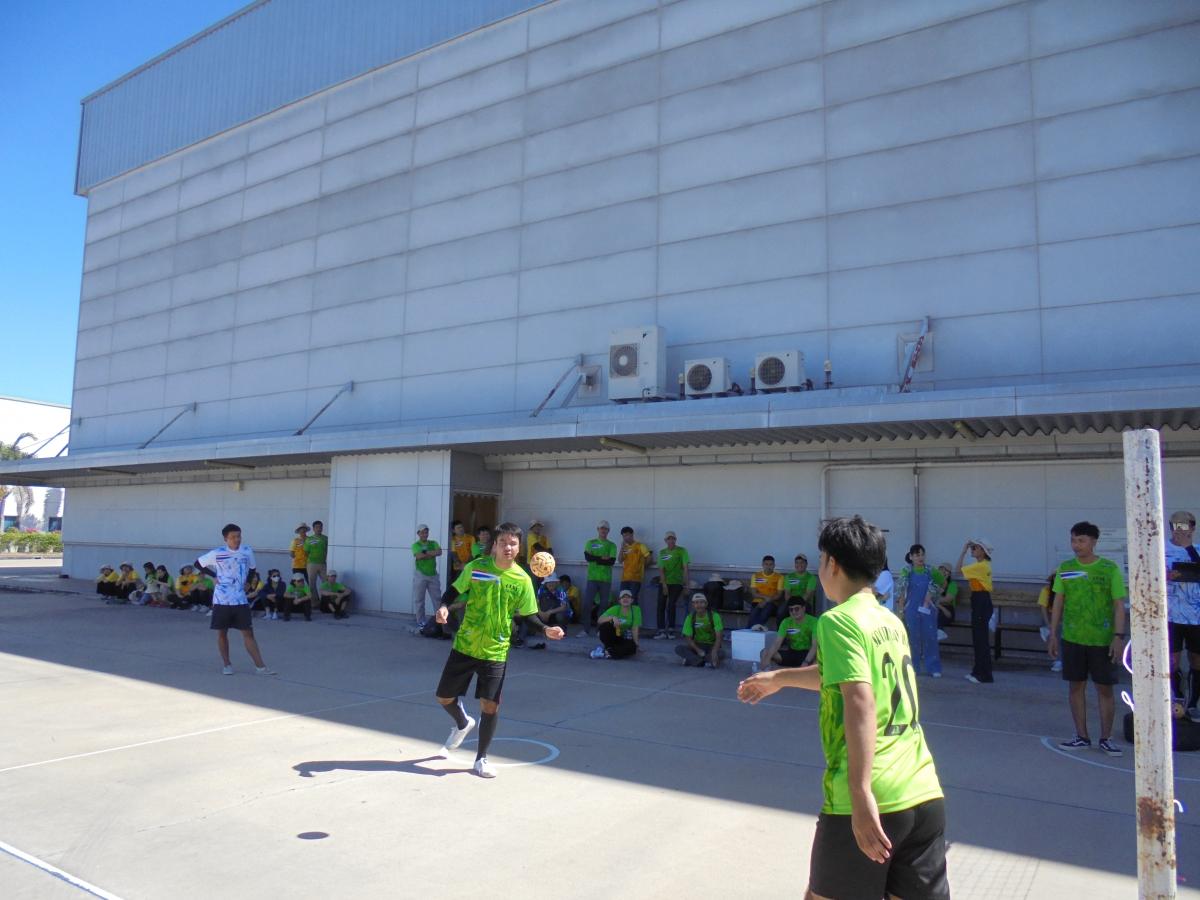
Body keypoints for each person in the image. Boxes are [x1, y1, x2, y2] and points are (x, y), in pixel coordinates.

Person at [738, 515, 948, 900]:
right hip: (922, 792)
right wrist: (780, 677)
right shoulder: (889, 620)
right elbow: (845, 675)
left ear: (832, 564)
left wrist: (860, 792)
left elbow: (859, 698)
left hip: (873, 797)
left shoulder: (837, 621)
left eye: (820, 560)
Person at [431, 522, 565, 778]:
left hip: (496, 650)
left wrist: (545, 629)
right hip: (466, 644)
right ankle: (462, 723)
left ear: (519, 548)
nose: (508, 547)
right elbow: (454, 590)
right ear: (494, 545)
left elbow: (529, 615)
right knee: (444, 697)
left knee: (490, 705)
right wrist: (444, 607)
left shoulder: (522, 579)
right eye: (503, 542)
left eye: (513, 543)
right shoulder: (477, 567)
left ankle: (481, 759)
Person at [1048, 521, 1127, 756]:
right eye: (1073, 540)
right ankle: (1081, 736)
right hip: (1073, 637)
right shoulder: (1066, 568)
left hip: (1102, 640)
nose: (1076, 545)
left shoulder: (1109, 569)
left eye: (1081, 540)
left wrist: (1118, 636)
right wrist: (1053, 633)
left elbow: (1119, 605)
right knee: (1075, 686)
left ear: (1093, 542)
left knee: (1104, 689)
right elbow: (1058, 601)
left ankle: (1106, 738)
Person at [195, 524, 275, 676]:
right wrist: (213, 576)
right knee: (222, 634)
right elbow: (198, 563)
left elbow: (252, 569)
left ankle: (261, 667)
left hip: (240, 599)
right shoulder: (217, 553)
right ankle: (227, 664)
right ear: (226, 539)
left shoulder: (247, 551)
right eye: (233, 537)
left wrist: (248, 582)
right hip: (222, 600)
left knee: (248, 633)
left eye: (238, 536)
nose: (237, 539)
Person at [1166, 510, 1200, 721]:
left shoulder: (1197, 550)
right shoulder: (1161, 549)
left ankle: (1193, 702)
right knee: (1172, 660)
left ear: (1192, 528)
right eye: (1175, 526)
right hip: (1170, 615)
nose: (1179, 530)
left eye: (1184, 525)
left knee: (1196, 659)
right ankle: (1177, 697)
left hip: (1196, 615)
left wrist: (1188, 547)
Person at [899, 544, 944, 678]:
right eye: (917, 555)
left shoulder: (931, 570)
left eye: (922, 554)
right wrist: (900, 610)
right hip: (911, 609)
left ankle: (934, 667)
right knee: (913, 638)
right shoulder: (906, 571)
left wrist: (934, 592)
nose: (921, 557)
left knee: (930, 637)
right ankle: (913, 667)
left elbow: (943, 582)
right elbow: (901, 591)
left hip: (928, 609)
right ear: (911, 557)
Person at [956, 538, 994, 684]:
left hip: (981, 600)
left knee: (981, 639)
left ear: (983, 551)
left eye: (976, 548)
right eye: (972, 548)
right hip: (980, 599)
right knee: (978, 638)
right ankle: (978, 671)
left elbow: (958, 570)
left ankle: (984, 675)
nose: (972, 550)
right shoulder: (981, 565)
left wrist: (963, 551)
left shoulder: (981, 566)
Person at [581, 520, 617, 636]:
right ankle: (585, 630)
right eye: (601, 528)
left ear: (608, 531)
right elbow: (588, 557)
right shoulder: (591, 542)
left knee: (603, 606)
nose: (603, 530)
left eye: (605, 528)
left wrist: (595, 558)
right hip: (592, 578)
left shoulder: (612, 545)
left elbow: (611, 561)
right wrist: (602, 558)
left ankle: (600, 630)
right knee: (587, 604)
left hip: (606, 579)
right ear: (598, 529)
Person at [760, 598, 817, 670]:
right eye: (791, 609)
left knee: (818, 658)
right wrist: (767, 659)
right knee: (764, 652)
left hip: (807, 653)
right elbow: (777, 643)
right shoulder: (786, 622)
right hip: (792, 652)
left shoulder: (814, 622)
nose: (794, 612)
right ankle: (766, 671)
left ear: (803, 608)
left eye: (796, 609)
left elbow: (815, 646)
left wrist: (806, 661)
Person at [654, 531, 690, 640]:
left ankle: (671, 629)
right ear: (665, 540)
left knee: (671, 604)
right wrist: (664, 585)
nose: (671, 540)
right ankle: (661, 630)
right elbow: (661, 569)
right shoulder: (662, 552)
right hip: (665, 582)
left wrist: (686, 585)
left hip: (677, 582)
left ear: (675, 539)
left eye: (673, 538)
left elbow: (685, 568)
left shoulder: (682, 551)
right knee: (661, 605)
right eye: (669, 539)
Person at [676, 592, 725, 668]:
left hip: (711, 645)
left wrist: (714, 651)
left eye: (701, 602)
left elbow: (719, 637)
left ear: (706, 604)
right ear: (693, 604)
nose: (699, 605)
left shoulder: (714, 616)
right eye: (696, 603)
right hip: (696, 645)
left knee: (721, 653)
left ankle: (694, 661)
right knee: (679, 648)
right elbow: (688, 638)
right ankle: (704, 661)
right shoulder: (690, 617)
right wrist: (698, 650)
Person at [593, 588, 642, 659]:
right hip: (613, 636)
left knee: (632, 648)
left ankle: (606, 652)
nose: (625, 599)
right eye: (623, 597)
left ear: (632, 600)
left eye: (628, 597)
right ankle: (609, 649)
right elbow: (599, 620)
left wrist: (636, 644)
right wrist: (612, 618)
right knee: (605, 626)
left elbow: (635, 628)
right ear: (619, 601)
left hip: (624, 638)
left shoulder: (636, 610)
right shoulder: (615, 608)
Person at [411, 524, 442, 627]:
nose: (425, 534)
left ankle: (440, 623)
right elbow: (418, 556)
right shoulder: (416, 545)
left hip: (433, 575)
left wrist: (425, 552)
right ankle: (421, 622)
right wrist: (432, 553)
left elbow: (439, 552)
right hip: (420, 575)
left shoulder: (433, 543)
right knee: (419, 600)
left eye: (426, 532)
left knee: (437, 599)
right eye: (422, 532)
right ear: (418, 534)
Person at [748, 555, 785, 630]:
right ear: (762, 565)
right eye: (766, 564)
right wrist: (765, 598)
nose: (768, 566)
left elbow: (779, 595)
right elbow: (754, 593)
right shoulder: (755, 576)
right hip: (757, 602)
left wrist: (767, 601)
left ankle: (755, 629)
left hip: (772, 603)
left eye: (771, 564)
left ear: (774, 565)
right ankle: (749, 630)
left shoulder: (779, 577)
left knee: (766, 610)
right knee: (754, 613)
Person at [617, 526, 652, 600]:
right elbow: (620, 560)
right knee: (623, 599)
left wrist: (642, 567)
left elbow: (649, 558)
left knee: (632, 599)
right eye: (623, 536)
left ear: (632, 534)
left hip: (636, 578)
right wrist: (622, 548)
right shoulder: (625, 547)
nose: (625, 538)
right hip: (625, 578)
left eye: (627, 535)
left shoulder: (640, 546)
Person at [1036, 572, 1062, 672]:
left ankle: (1060, 659)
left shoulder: (1066, 591)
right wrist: (1048, 624)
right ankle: (1058, 660)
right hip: (1049, 618)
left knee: (1061, 629)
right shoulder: (1046, 590)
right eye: (1055, 577)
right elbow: (1043, 609)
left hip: (1062, 618)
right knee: (1056, 630)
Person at [933, 563, 958, 641]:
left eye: (946, 570)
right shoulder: (934, 584)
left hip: (947, 609)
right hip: (936, 607)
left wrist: (935, 601)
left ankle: (939, 631)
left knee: (939, 614)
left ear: (949, 573)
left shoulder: (952, 584)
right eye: (941, 570)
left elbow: (948, 599)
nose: (943, 572)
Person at [305, 520, 329, 589]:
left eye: (320, 527)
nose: (319, 529)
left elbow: (328, 550)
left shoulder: (326, 538)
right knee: (312, 584)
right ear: (313, 529)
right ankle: (314, 597)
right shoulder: (309, 539)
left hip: (323, 564)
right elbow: (306, 552)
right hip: (311, 564)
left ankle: (324, 596)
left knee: (326, 582)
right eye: (317, 527)